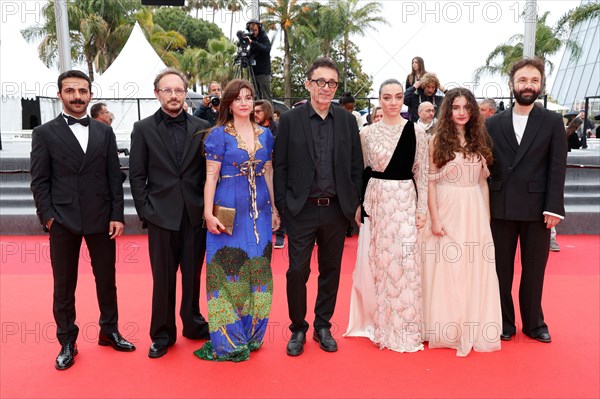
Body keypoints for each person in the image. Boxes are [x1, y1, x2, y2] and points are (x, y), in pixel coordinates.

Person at [30, 70, 135, 370]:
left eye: (82, 91)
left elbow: (114, 177)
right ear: (60, 94)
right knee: (64, 285)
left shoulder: (104, 132)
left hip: (102, 217)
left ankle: (109, 330)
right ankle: (67, 340)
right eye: (70, 90)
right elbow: (39, 181)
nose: (77, 96)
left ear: (90, 94)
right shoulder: (45, 133)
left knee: (107, 280)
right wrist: (48, 218)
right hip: (62, 220)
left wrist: (118, 215)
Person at [274, 57, 363, 356]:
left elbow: (354, 167)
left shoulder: (347, 121)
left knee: (331, 270)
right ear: (308, 84)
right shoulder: (289, 120)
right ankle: (298, 328)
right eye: (321, 82)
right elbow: (281, 166)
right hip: (301, 210)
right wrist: (284, 205)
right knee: (297, 271)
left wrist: (351, 205)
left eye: (332, 83)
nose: (326, 88)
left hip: (336, 210)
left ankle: (322, 325)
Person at [129, 68, 210, 359]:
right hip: (160, 216)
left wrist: (207, 210)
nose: (173, 95)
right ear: (157, 93)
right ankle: (162, 334)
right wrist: (146, 212)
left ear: (185, 93)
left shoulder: (202, 126)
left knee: (192, 276)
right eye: (167, 90)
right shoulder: (143, 128)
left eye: (178, 90)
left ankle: (192, 323)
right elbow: (136, 176)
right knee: (163, 279)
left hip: (194, 216)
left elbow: (207, 173)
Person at [194, 79, 278, 362]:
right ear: (229, 103)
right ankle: (229, 340)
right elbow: (211, 177)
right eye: (238, 98)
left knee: (259, 272)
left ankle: (253, 334)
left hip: (260, 212)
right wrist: (208, 212)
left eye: (249, 97)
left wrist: (275, 209)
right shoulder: (218, 135)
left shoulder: (266, 135)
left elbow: (268, 173)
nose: (244, 102)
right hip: (227, 210)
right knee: (226, 271)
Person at [486, 58, 567, 344]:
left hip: (537, 208)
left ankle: (534, 323)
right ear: (512, 84)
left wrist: (554, 206)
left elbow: (557, 166)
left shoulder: (553, 121)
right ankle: (504, 322)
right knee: (500, 270)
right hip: (501, 206)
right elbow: (486, 165)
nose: (528, 85)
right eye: (522, 80)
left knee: (534, 269)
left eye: (534, 80)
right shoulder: (493, 123)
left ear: (540, 84)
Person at [345, 78, 428, 352]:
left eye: (396, 97)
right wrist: (360, 205)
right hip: (377, 200)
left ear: (402, 101)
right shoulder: (366, 133)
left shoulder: (416, 132)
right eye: (386, 97)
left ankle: (405, 327)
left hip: (404, 198)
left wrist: (421, 208)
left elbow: (422, 173)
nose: (392, 102)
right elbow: (362, 172)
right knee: (381, 264)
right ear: (379, 100)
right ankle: (381, 324)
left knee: (405, 263)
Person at [420, 87, 502, 357]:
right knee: (447, 267)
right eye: (456, 107)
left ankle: (471, 325)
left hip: (474, 209)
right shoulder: (436, 141)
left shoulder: (480, 138)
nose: (462, 112)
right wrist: (434, 217)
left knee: (471, 267)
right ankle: (445, 328)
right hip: (445, 206)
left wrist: (486, 218)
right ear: (448, 110)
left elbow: (483, 183)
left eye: (467, 107)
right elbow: (429, 183)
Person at [254, 99, 285, 249]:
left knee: (278, 201)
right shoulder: (252, 129)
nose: (255, 114)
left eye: (258, 111)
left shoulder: (278, 128)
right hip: (259, 173)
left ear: (266, 112)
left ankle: (280, 234)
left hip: (277, 171)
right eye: (254, 111)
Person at [247, 19, 272, 102]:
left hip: (263, 73)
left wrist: (253, 43)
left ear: (259, 29)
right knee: (255, 96)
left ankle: (269, 115)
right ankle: (256, 114)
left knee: (266, 97)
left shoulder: (263, 37)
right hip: (254, 72)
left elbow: (267, 49)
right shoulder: (251, 38)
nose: (254, 32)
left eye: (255, 30)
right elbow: (251, 53)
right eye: (251, 30)